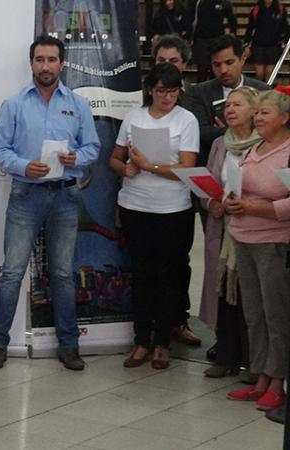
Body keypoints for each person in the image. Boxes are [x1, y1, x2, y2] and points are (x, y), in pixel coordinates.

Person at [0, 35, 100, 371]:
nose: (45, 66)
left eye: (51, 60)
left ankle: (69, 345)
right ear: (31, 63)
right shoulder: (15, 104)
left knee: (63, 274)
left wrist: (75, 156)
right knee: (12, 272)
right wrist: (23, 166)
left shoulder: (78, 105)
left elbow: (93, 148)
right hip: (26, 194)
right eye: (39, 59)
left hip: (65, 195)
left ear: (61, 63)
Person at [110, 63, 199, 370]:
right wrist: (127, 168)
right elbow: (114, 159)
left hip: (172, 210)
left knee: (168, 276)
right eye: (161, 91)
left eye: (173, 91)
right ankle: (141, 339)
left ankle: (162, 341)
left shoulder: (186, 120)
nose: (167, 97)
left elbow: (188, 169)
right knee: (141, 274)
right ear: (150, 90)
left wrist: (149, 166)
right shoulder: (134, 117)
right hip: (135, 206)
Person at [225, 89, 290, 413]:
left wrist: (255, 208)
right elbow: (239, 185)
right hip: (243, 238)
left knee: (276, 314)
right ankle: (260, 375)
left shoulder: (288, 151)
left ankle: (278, 381)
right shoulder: (255, 148)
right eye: (258, 113)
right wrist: (231, 200)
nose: (259, 118)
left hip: (274, 242)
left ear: (284, 118)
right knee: (254, 315)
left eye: (265, 113)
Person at [199, 86, 261, 378]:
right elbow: (207, 185)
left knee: (250, 294)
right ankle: (224, 356)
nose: (230, 110)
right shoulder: (220, 144)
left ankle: (253, 360)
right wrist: (211, 202)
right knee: (223, 290)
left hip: (253, 227)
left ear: (253, 110)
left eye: (237, 104)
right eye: (228, 105)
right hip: (223, 228)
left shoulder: (264, 144)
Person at [152, 34, 204, 347]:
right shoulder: (146, 101)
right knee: (149, 263)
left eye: (173, 62)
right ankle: (152, 321)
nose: (167, 66)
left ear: (183, 65)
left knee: (179, 261)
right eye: (161, 61)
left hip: (187, 194)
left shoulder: (193, 100)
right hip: (143, 198)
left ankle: (178, 319)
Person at [185, 34, 271, 170]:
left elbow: (271, 129)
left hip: (258, 166)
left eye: (229, 62)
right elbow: (200, 131)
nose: (223, 70)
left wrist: (223, 130)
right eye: (216, 65)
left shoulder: (263, 90)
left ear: (243, 58)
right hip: (212, 165)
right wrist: (242, 129)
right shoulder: (199, 92)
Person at [187, 0, 237, 82]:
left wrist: (232, 33)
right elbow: (190, 20)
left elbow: (232, 19)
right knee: (202, 71)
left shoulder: (223, 3)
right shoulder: (197, 2)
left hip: (217, 40)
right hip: (201, 40)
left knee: (216, 70)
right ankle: (200, 93)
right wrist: (189, 37)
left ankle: (215, 92)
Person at [243, 0, 289, 82]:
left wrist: (286, 42)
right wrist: (246, 45)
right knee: (259, 74)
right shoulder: (256, 9)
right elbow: (250, 28)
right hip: (258, 45)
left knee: (269, 75)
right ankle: (260, 93)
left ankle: (267, 93)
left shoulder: (280, 9)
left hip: (274, 46)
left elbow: (285, 27)